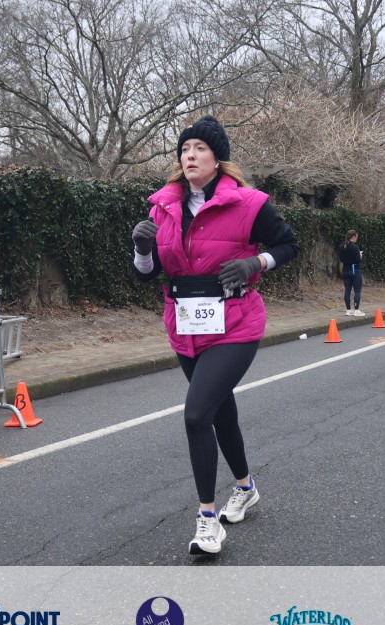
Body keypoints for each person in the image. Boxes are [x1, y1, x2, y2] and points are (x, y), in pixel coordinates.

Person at [130, 115, 299, 555]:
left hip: (236, 324)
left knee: (195, 415)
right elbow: (146, 273)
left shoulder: (249, 203)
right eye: (185, 149)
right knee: (219, 413)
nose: (190, 155)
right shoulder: (162, 207)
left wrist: (255, 262)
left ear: (217, 158)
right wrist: (142, 250)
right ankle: (245, 487)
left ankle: (208, 521)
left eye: (199, 148)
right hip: (186, 326)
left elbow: (289, 245)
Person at [339, 230, 365, 315]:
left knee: (347, 290)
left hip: (345, 270)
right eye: (356, 237)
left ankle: (348, 310)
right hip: (354, 270)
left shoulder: (342, 246)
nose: (357, 239)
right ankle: (356, 310)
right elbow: (358, 260)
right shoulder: (355, 247)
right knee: (357, 290)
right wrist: (360, 255)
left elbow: (341, 259)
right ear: (353, 237)